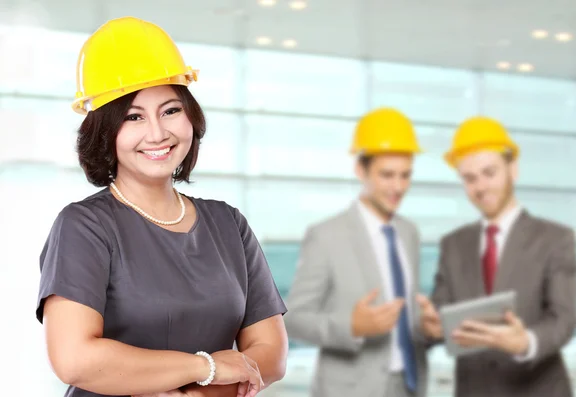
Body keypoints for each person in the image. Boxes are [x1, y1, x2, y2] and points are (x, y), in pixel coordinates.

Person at [35, 16, 288, 397]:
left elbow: (271, 355)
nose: (157, 133)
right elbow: (75, 359)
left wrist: (195, 395)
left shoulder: (228, 224)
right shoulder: (84, 226)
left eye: (170, 110)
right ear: (105, 132)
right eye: (133, 117)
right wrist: (208, 368)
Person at [417, 116, 576, 397]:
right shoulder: (452, 245)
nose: (480, 187)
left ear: (513, 169)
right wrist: (431, 328)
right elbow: (442, 314)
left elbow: (564, 318)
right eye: (469, 178)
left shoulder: (555, 239)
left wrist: (525, 342)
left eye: (489, 172)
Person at [284, 108, 429, 397]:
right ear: (361, 170)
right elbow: (294, 319)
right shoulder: (326, 235)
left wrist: (427, 325)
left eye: (405, 175)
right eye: (387, 175)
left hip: (410, 386)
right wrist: (351, 326)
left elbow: (405, 318)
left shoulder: (409, 233)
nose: (398, 187)